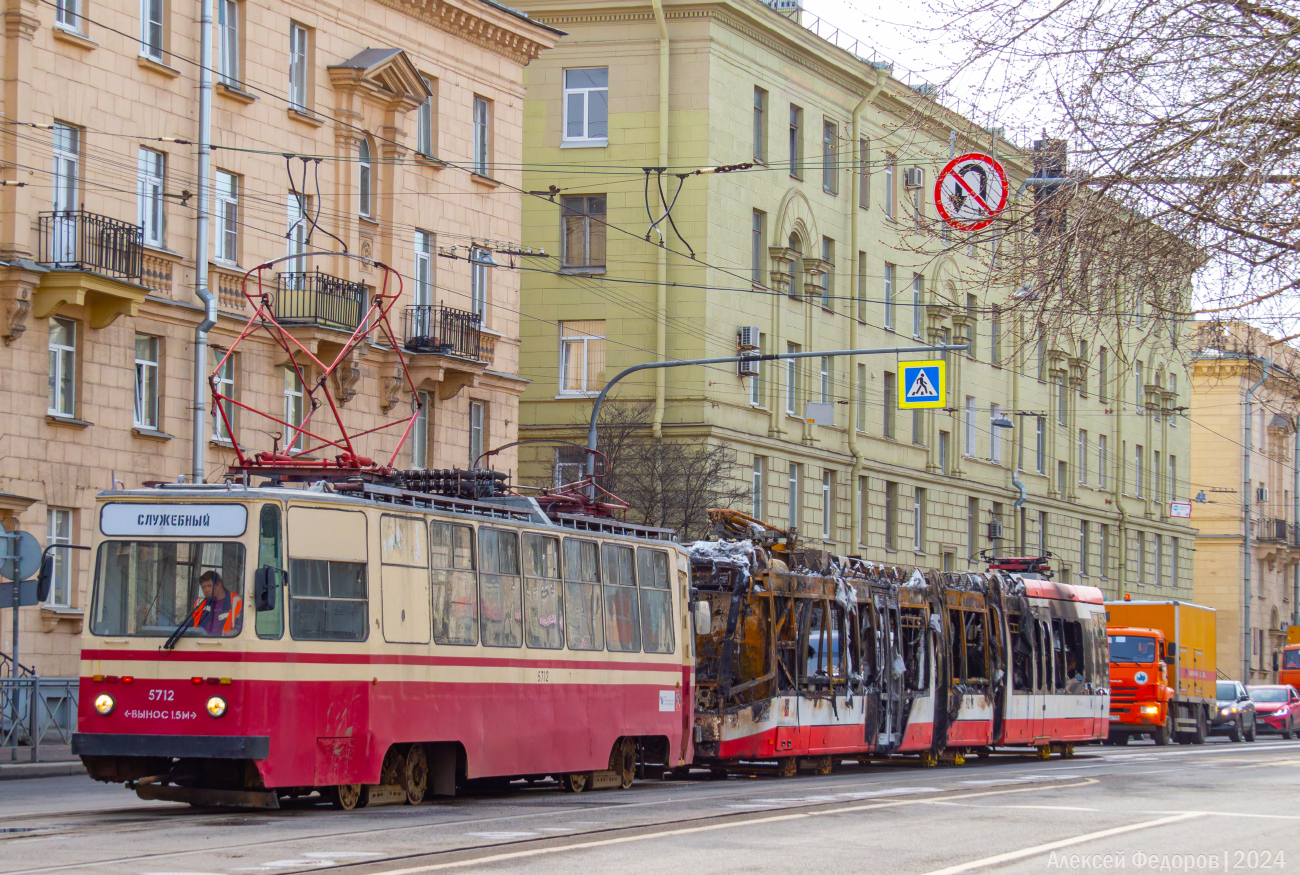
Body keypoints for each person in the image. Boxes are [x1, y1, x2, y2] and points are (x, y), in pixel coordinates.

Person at [190, 570, 243, 635]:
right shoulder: (200, 602)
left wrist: (235, 631)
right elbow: (190, 623)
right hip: (199, 642)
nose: (206, 590)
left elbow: (242, 626)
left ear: (219, 584)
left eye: (209, 586)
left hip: (226, 643)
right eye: (203, 587)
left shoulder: (237, 602)